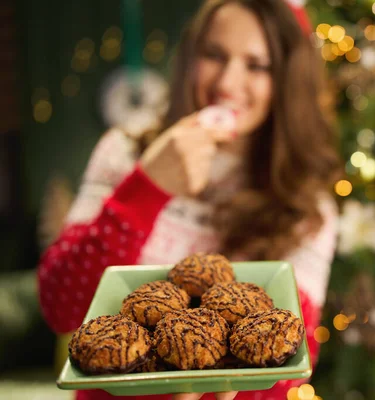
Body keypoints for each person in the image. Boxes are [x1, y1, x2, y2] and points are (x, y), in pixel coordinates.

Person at [36, 0, 341, 399]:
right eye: (214, 55)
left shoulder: (305, 203)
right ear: (190, 59)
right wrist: (147, 187)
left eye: (256, 65)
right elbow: (62, 307)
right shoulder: (125, 150)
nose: (228, 83)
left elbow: (288, 362)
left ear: (286, 80)